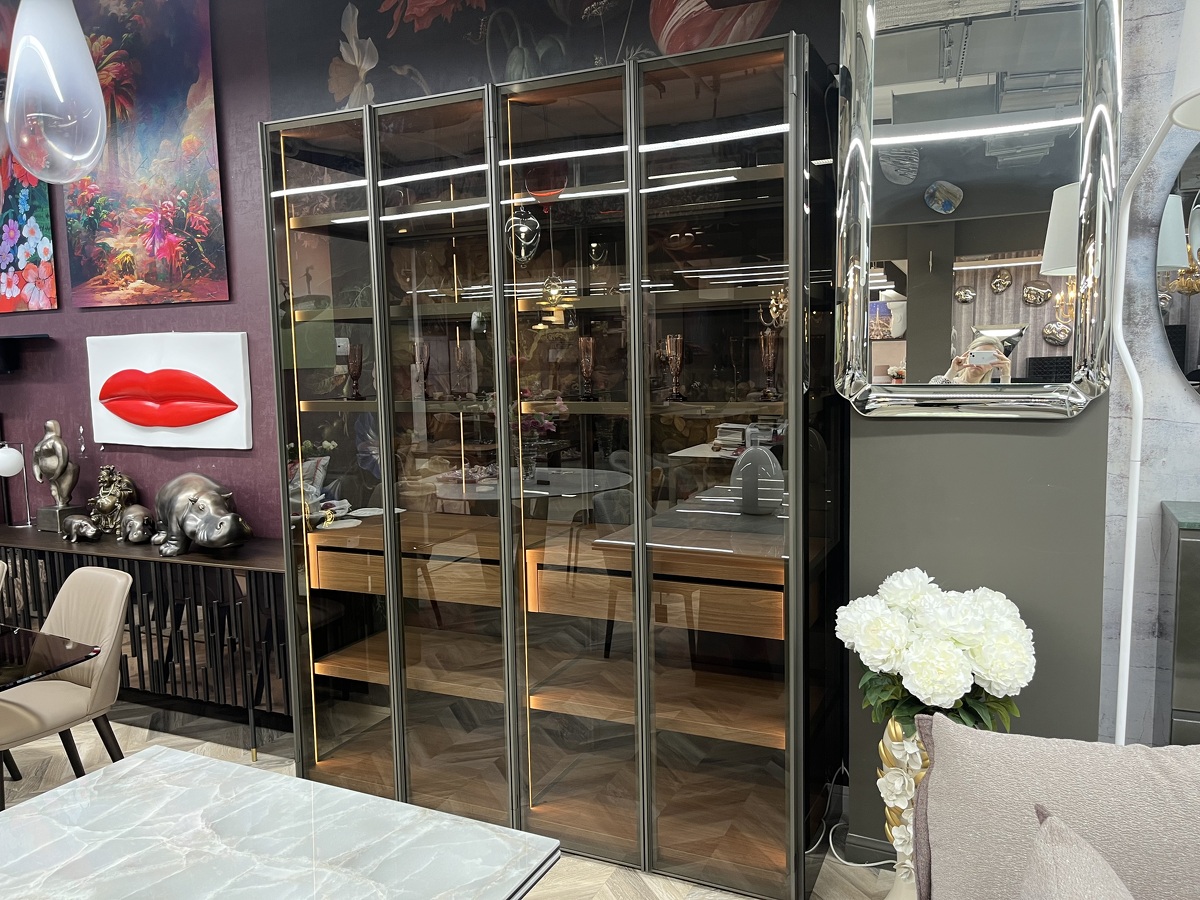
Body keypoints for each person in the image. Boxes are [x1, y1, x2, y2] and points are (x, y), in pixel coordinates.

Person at [934, 335, 1012, 384]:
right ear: (968, 355)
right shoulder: (942, 380)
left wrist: (1006, 375)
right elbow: (933, 398)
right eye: (977, 355)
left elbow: (1005, 404)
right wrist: (952, 371)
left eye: (987, 358)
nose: (979, 363)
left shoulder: (989, 392)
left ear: (994, 363)